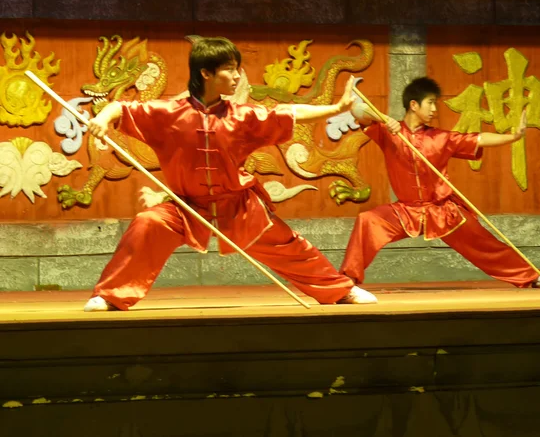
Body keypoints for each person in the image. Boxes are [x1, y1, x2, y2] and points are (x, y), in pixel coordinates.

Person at [83, 36, 377, 312]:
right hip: (186, 205)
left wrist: (336, 107)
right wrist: (101, 118)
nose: (237, 76)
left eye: (237, 69)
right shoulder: (167, 113)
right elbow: (120, 107)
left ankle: (340, 291)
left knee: (289, 244)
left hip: (238, 204)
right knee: (147, 224)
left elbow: (288, 113)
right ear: (206, 74)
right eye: (229, 70)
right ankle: (110, 296)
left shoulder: (242, 116)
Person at [340, 76, 540, 289]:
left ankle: (532, 276)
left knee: (485, 244)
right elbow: (358, 111)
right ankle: (347, 281)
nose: (435, 109)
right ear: (414, 105)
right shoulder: (388, 132)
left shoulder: (441, 138)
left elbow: (479, 139)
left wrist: (513, 137)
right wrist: (382, 118)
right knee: (367, 220)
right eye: (431, 103)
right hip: (406, 210)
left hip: (443, 210)